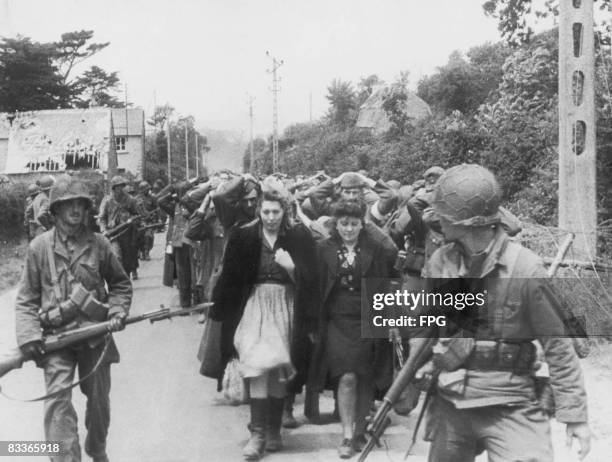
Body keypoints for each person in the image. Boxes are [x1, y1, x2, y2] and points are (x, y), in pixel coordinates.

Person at [408, 164, 591, 462]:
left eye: (443, 212)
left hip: (512, 402)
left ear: (466, 222)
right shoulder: (441, 262)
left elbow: (558, 348)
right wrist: (421, 361)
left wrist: (575, 416)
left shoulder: (525, 268)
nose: (437, 218)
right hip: (453, 399)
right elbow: (427, 323)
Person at [15, 177, 132, 462]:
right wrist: (29, 335)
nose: (75, 209)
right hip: (57, 340)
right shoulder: (39, 248)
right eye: (68, 204)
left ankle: (97, 448)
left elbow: (120, 284)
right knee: (57, 404)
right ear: (55, 210)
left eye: (80, 203)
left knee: (99, 403)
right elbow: (27, 299)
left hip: (95, 335)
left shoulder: (100, 244)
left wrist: (117, 311)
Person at [210, 179, 317, 460]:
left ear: (285, 211)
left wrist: (292, 268)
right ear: (259, 210)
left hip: (286, 304)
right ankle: (257, 433)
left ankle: (273, 430)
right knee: (258, 364)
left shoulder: (298, 236)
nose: (270, 218)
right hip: (253, 305)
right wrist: (222, 312)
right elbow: (230, 279)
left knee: (278, 365)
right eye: (266, 212)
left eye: (275, 212)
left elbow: (314, 279)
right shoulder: (244, 237)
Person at [311, 199, 398, 459]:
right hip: (337, 319)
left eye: (354, 224)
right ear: (335, 225)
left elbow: (385, 287)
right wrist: (312, 323)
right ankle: (347, 435)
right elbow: (314, 290)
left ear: (363, 224)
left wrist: (392, 320)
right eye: (343, 224)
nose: (348, 229)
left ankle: (361, 430)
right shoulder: (323, 249)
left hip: (369, 315)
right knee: (347, 376)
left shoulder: (375, 249)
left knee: (366, 375)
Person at [98, 176, 142, 280]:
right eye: (118, 187)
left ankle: (125, 278)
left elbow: (137, 215)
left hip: (127, 234)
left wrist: (132, 220)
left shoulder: (130, 200)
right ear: (113, 188)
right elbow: (102, 218)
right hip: (113, 234)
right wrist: (104, 230)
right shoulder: (107, 201)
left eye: (122, 186)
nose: (121, 189)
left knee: (128, 260)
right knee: (116, 257)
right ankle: (119, 280)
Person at [135, 181, 158, 260]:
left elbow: (156, 209)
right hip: (140, 221)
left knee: (149, 237)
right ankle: (142, 252)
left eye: (148, 189)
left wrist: (156, 219)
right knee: (140, 238)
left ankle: (147, 252)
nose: (147, 190)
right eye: (145, 189)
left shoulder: (153, 198)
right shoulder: (137, 198)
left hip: (150, 221)